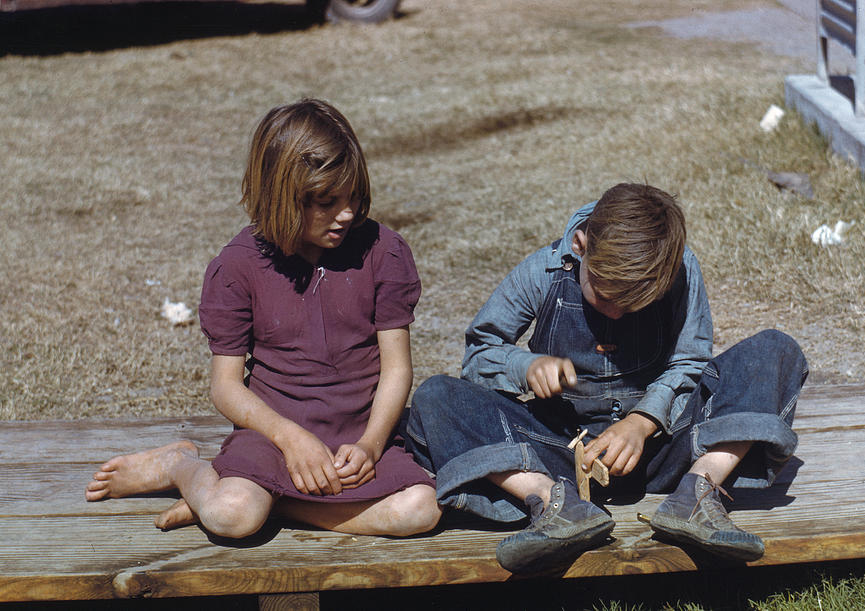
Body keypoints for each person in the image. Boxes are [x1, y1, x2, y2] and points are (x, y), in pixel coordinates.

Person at [405, 183, 808, 573]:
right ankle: (555, 506)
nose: (615, 314)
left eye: (634, 305)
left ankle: (697, 494)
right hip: (558, 453)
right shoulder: (541, 272)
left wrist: (640, 422)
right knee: (436, 396)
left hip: (664, 448)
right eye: (604, 294)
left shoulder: (681, 269)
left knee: (773, 350)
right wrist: (524, 367)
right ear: (581, 246)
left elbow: (689, 363)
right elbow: (478, 354)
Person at [85, 99, 441, 539]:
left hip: (358, 434)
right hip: (272, 435)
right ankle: (180, 465)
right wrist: (290, 439)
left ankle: (278, 505)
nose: (346, 214)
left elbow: (397, 368)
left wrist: (370, 443)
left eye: (353, 197)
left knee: (420, 510)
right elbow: (226, 386)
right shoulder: (238, 266)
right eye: (327, 201)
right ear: (282, 195)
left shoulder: (382, 252)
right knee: (232, 515)